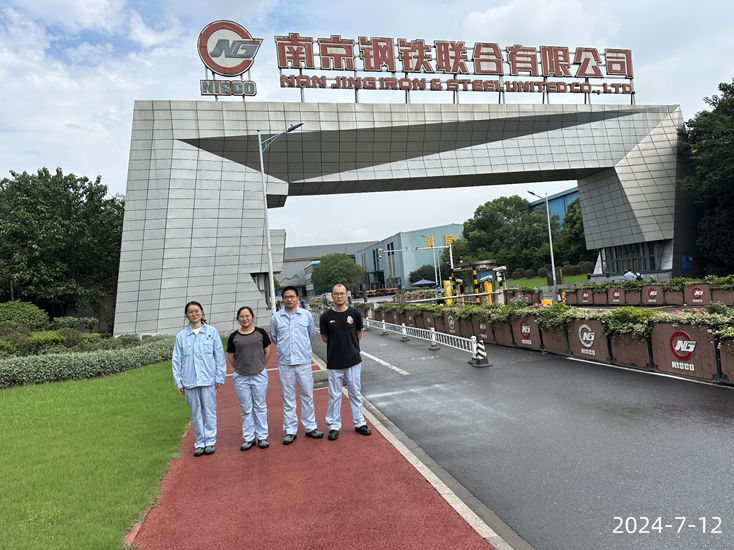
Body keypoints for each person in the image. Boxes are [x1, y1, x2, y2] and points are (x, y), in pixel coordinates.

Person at [270, 286, 324, 445]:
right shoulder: (276, 318)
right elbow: (274, 337)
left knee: (307, 395)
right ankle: (290, 430)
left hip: (303, 362)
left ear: (297, 298)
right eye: (286, 297)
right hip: (285, 363)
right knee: (288, 398)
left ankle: (310, 427)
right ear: (282, 299)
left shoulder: (306, 315)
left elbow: (311, 335)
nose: (289, 299)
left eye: (292, 296)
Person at [172, 301, 226, 457]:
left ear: (202, 312)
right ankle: (200, 442)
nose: (194, 314)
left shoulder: (211, 332)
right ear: (186, 315)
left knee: (209, 411)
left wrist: (219, 376)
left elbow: (219, 356)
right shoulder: (182, 336)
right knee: (195, 413)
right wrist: (178, 381)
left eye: (197, 311)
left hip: (208, 379)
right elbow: (176, 360)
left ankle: (210, 441)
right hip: (189, 381)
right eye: (191, 312)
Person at [320, 284, 372, 441]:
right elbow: (325, 338)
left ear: (346, 295)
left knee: (355, 393)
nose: (339, 296)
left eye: (342, 293)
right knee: (334, 395)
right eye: (336, 294)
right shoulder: (326, 317)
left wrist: (350, 347)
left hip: (353, 360)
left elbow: (358, 334)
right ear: (331, 296)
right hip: (334, 361)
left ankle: (359, 423)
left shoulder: (354, 314)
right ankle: (333, 426)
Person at [226, 306, 272, 451]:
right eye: (242, 316)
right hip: (241, 377)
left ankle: (262, 436)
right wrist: (240, 368)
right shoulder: (234, 336)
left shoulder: (260, 333)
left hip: (259, 375)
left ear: (252, 317)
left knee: (260, 406)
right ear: (237, 318)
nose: (245, 319)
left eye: (247, 316)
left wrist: (260, 365)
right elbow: (230, 356)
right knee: (246, 408)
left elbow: (267, 351)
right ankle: (249, 438)